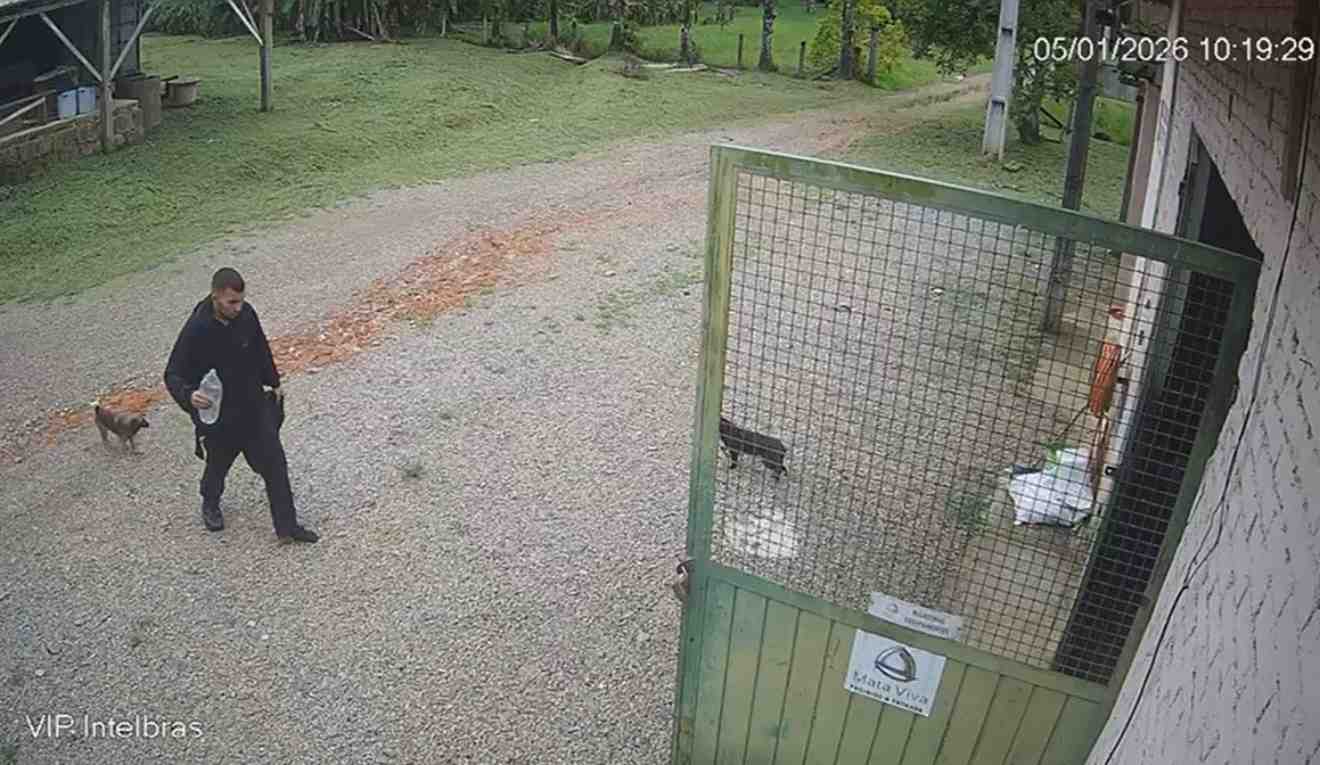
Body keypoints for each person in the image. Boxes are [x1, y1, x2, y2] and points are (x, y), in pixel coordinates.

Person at [164, 267, 319, 544]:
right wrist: (188, 395)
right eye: (231, 302)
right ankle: (210, 501)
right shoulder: (198, 329)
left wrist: (273, 381)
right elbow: (173, 373)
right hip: (221, 415)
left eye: (241, 300)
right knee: (218, 465)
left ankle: (287, 527)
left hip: (253, 406)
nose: (238, 307)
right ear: (215, 297)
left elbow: (260, 347)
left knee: (275, 463)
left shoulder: (246, 314)